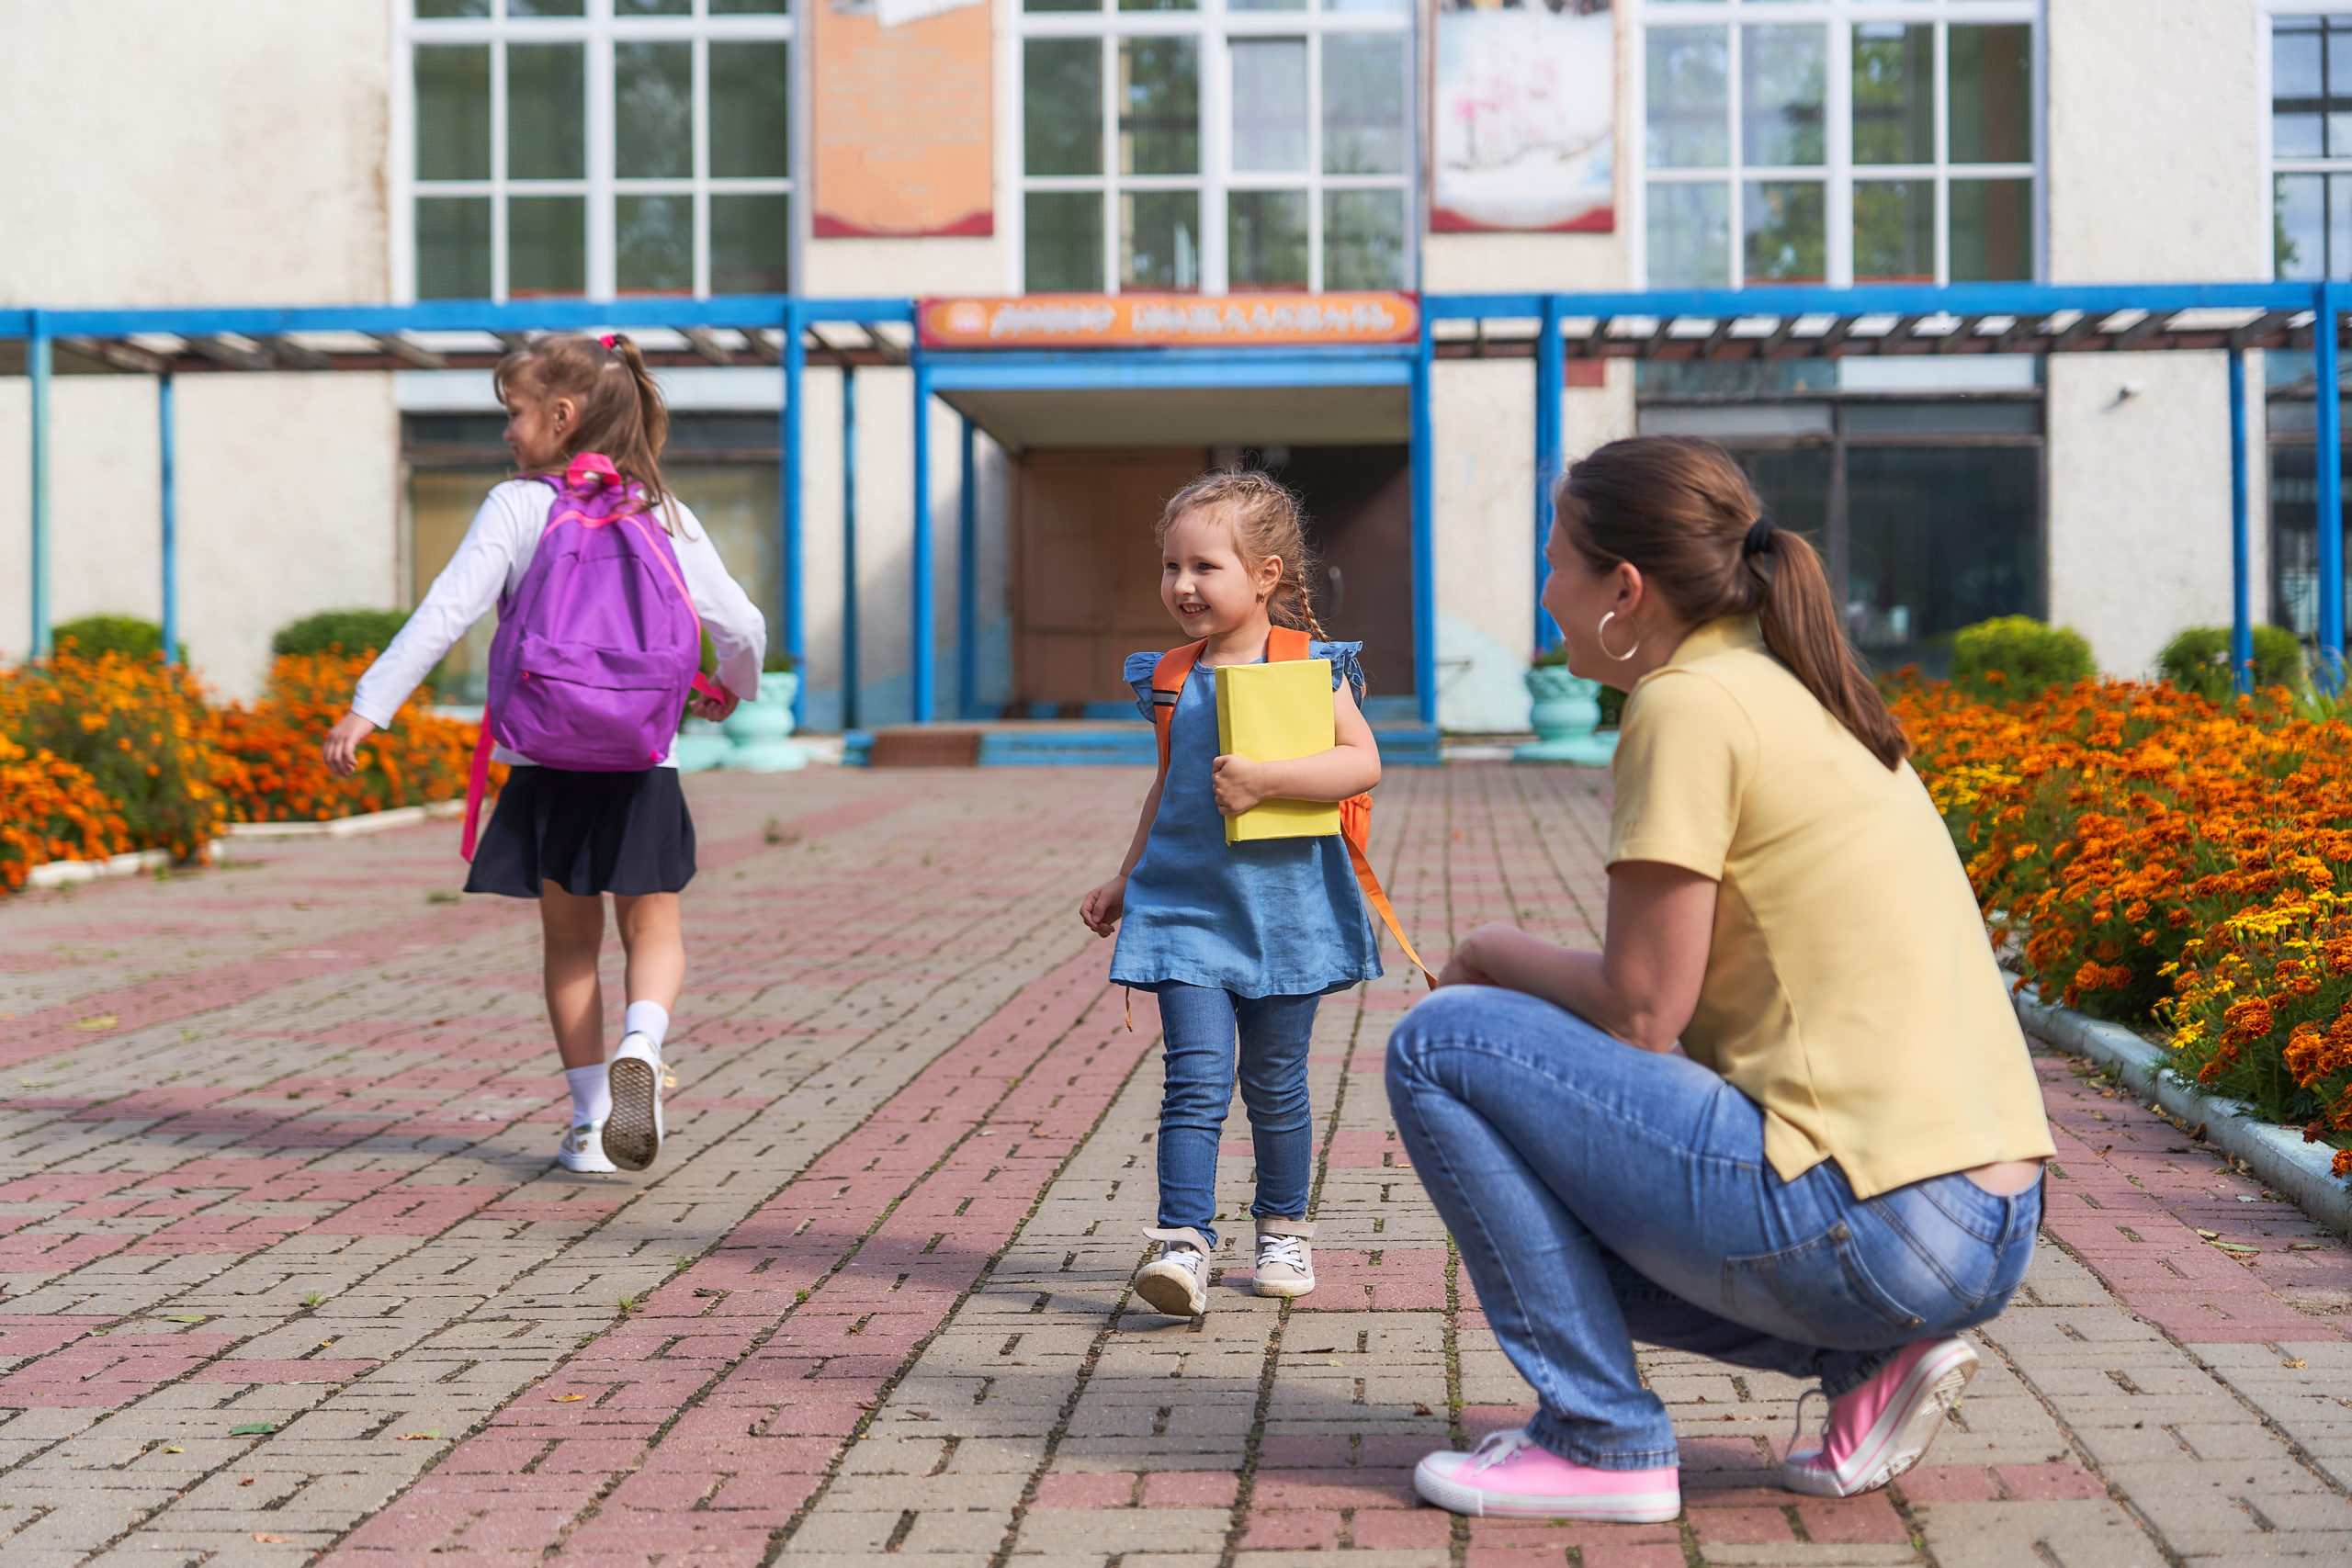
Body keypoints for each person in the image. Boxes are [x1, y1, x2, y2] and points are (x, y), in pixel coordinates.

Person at [1388, 436, 2054, 1522]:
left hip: (1884, 1229)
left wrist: (1488, 953)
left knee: (1443, 1042)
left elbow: (1646, 1011)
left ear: (1625, 589)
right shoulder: (1794, 685)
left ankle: (1598, 1439)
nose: (1545, 594)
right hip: (1986, 1224)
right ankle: (1867, 1368)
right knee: (1536, 1130)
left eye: (1555, 564)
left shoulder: (1686, 705)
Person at [323, 333, 764, 1178]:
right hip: (643, 761)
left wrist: (367, 708)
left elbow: (446, 611)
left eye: (512, 413)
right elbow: (741, 627)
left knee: (570, 944)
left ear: (560, 416)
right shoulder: (663, 511)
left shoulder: (519, 504)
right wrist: (733, 684)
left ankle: (591, 1120)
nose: (506, 433)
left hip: (547, 762)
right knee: (654, 928)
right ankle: (645, 1040)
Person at [1080, 471, 1385, 1317]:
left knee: (1277, 1082)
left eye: (1205, 566)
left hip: (1287, 913)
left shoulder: (1308, 668)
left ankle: (1284, 1228)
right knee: (1196, 1077)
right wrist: (1125, 874)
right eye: (1172, 566)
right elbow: (1165, 789)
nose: (1182, 584)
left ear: (1267, 576)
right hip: (1183, 910)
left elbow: (1363, 763)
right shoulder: (1172, 676)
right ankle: (1183, 1242)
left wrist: (1267, 780)